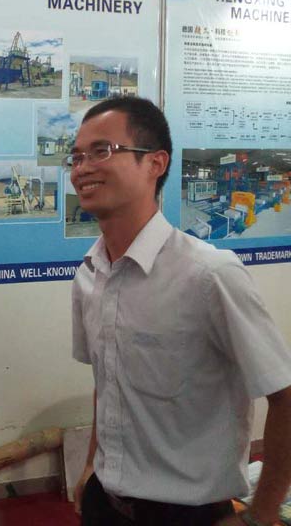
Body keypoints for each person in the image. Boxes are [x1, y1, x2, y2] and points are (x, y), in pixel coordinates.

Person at [69, 97, 291, 526]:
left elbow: (284, 394)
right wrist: (93, 465)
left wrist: (261, 516)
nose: (83, 168)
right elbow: (106, 379)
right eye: (77, 157)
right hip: (105, 504)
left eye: (102, 151)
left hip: (186, 514)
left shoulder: (210, 275)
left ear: (156, 163)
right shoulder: (89, 274)